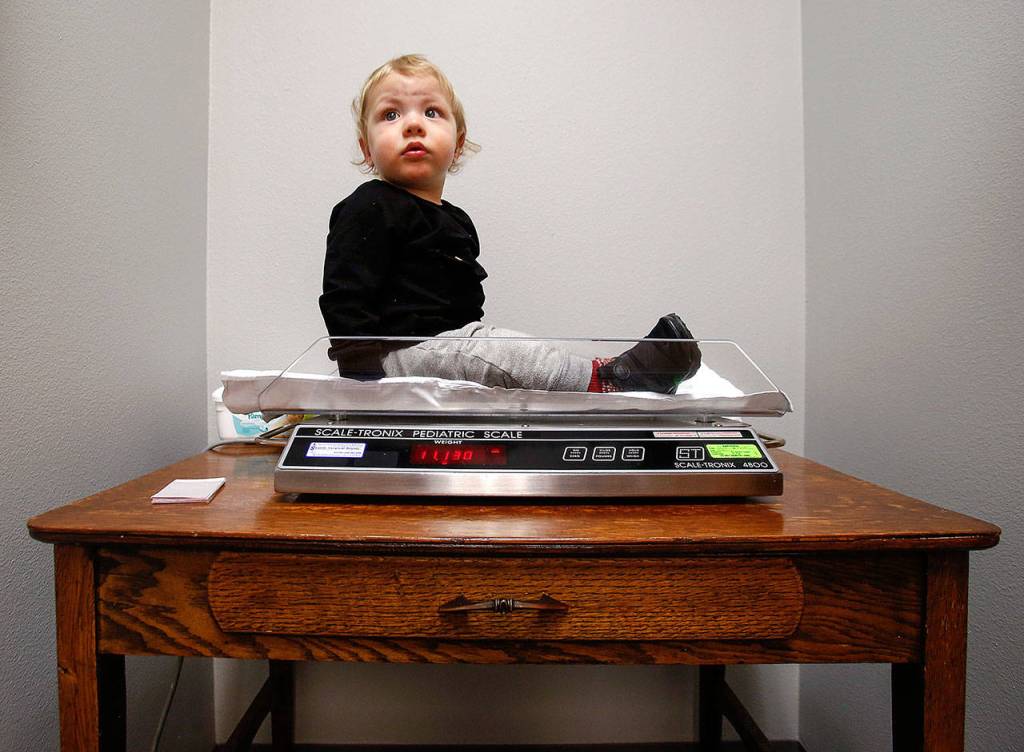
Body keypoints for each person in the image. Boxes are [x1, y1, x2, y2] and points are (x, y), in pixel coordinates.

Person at [319, 54, 700, 394]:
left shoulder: (457, 221)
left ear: (458, 142)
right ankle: (610, 380)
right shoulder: (369, 205)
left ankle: (604, 373)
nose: (413, 125)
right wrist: (360, 377)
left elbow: (463, 307)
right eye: (391, 114)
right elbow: (345, 291)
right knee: (501, 351)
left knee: (497, 348)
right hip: (392, 356)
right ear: (367, 149)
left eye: (431, 112)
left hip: (447, 343)